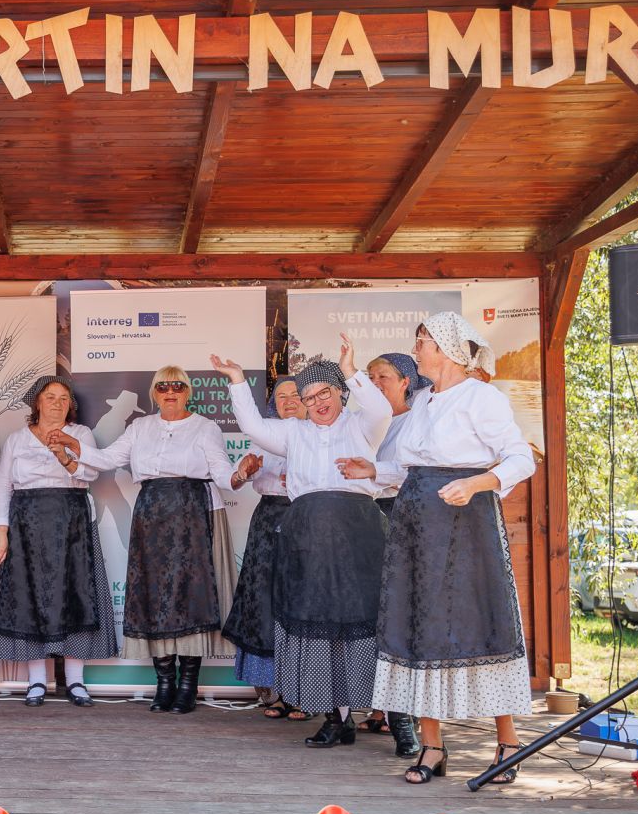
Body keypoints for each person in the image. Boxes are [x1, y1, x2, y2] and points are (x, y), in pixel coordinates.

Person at [343, 312, 536, 784]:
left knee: (479, 620)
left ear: (449, 350)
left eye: (423, 341)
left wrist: (478, 483)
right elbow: (412, 469)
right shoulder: (424, 401)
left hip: (465, 523)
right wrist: (372, 472)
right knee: (420, 625)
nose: (417, 349)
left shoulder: (481, 397)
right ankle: (433, 747)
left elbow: (520, 457)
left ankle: (507, 743)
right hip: (415, 525)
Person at [213, 335, 393, 750]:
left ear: (340, 394)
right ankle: (336, 718)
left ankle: (394, 717)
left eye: (324, 392)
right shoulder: (293, 432)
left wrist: (350, 368)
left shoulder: (361, 425)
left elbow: (381, 407)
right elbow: (254, 427)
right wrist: (238, 380)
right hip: (308, 538)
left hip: (358, 538)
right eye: (309, 397)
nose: (317, 403)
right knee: (317, 623)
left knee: (363, 621)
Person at [49, 366, 255, 714]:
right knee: (155, 598)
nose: (170, 391)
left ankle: (188, 685)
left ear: (188, 392)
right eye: (162, 386)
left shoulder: (206, 427)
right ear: (154, 393)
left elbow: (222, 473)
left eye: (177, 385)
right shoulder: (140, 427)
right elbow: (107, 459)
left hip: (194, 516)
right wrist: (73, 445)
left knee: (191, 598)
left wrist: (240, 474)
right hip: (152, 517)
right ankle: (164, 683)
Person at [0, 376, 118, 707]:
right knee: (29, 595)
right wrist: (1, 530)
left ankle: (75, 682)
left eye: (64, 398)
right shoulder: (17, 439)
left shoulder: (81, 435)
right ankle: (37, 682)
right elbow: (3, 485)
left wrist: (64, 456)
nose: (58, 403)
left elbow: (91, 475)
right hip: (26, 522)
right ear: (37, 403)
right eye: (51, 397)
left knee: (76, 595)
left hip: (71, 520)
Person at [351, 352, 430, 758]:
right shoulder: (363, 421)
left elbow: (412, 472)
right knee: (367, 614)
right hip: (366, 520)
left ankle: (404, 719)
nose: (376, 383)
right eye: (370, 377)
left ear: (406, 381)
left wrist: (374, 473)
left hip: (403, 519)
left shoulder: (420, 419)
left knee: (400, 617)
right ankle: (374, 705)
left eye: (383, 376)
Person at [220, 376, 311, 722]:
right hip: (268, 519)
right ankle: (279, 691)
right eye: (281, 396)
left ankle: (308, 692)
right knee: (267, 601)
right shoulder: (264, 433)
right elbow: (241, 477)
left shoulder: (324, 433)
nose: (289, 400)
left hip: (307, 520)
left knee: (303, 604)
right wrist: (245, 472)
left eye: (295, 395)